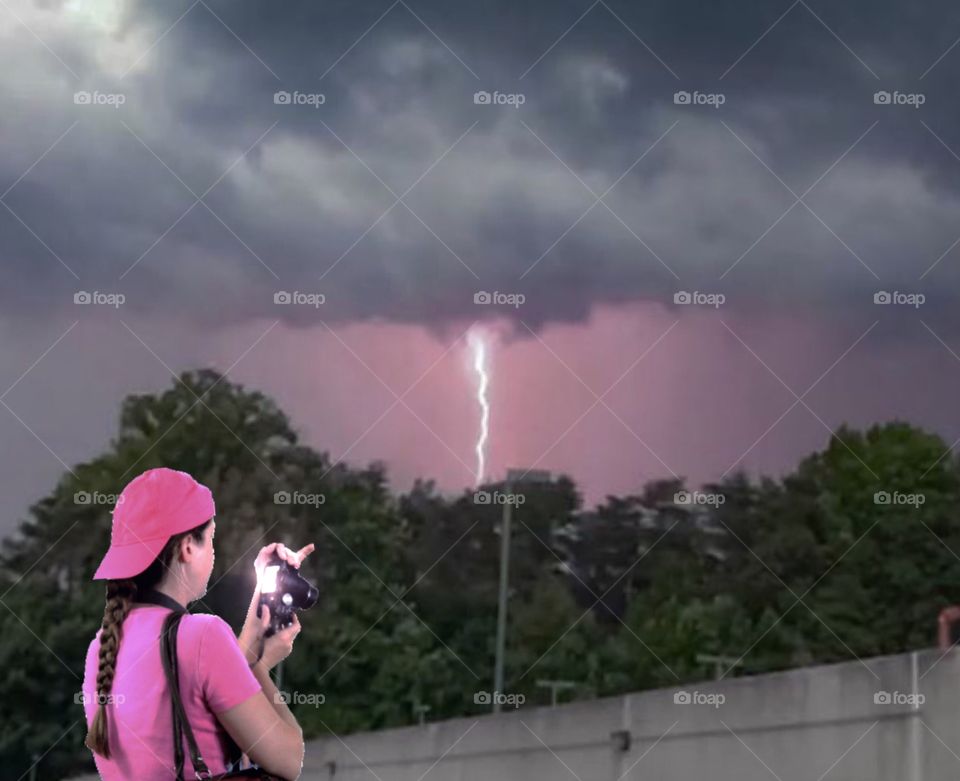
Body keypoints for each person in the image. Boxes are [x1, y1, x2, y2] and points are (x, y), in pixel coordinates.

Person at [80, 467, 314, 780]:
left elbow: (196, 693)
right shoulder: (202, 635)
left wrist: (250, 646)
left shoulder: (100, 648)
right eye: (211, 539)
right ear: (188, 546)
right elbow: (289, 759)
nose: (213, 552)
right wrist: (258, 668)